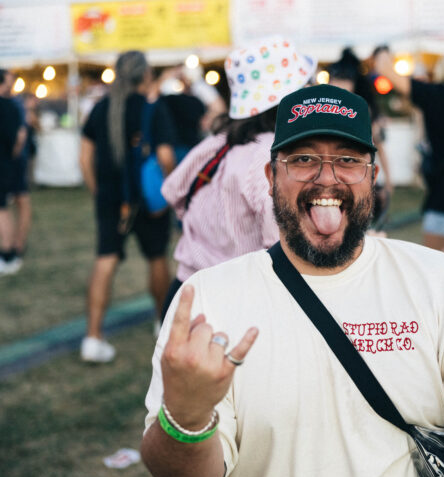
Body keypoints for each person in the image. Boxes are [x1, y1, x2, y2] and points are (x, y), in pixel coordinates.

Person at [141, 84, 444, 477]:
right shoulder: (210, 303)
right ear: (271, 178)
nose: (327, 177)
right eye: (303, 159)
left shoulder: (441, 283)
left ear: (372, 177)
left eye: (348, 160)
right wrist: (186, 420)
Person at [159, 36, 316, 335]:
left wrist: (213, 234)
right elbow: (282, 244)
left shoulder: (219, 142)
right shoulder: (273, 158)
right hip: (232, 305)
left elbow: (173, 193)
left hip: (184, 292)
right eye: (306, 86)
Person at [79, 50, 177, 363]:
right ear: (145, 74)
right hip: (148, 200)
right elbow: (164, 157)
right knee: (156, 257)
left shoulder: (100, 108)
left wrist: (99, 193)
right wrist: (169, 190)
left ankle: (93, 338)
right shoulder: (153, 109)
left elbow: (84, 158)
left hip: (111, 198)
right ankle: (162, 324)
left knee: (105, 259)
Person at [374, 48, 444, 252]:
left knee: (441, 275)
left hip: (443, 201)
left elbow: (385, 69)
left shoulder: (437, 96)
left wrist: (383, 51)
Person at [327, 47, 393, 231]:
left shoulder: (362, 111)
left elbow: (377, 145)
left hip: (355, 178)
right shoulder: (323, 110)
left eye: (344, 81)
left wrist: (387, 181)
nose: (340, 87)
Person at [0, 69, 26, 275]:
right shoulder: (12, 106)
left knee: (2, 211)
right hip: (7, 163)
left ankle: (8, 255)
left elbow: (19, 137)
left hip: (3, 164)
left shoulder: (9, 106)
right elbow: (20, 137)